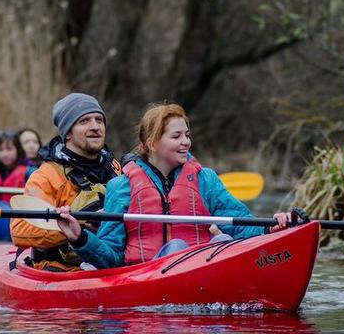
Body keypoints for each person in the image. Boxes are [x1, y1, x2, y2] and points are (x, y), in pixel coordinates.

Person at [55, 103, 307, 269]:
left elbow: (243, 226)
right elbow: (110, 257)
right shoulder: (121, 187)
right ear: (152, 144)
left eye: (187, 135)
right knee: (177, 248)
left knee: (225, 239)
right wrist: (80, 237)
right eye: (176, 136)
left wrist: (275, 227)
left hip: (200, 271)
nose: (186, 142)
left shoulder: (204, 179)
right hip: (144, 278)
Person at [11, 93, 121, 271]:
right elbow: (20, 230)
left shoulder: (116, 168)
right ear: (68, 132)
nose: (95, 127)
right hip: (64, 270)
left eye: (99, 120)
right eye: (84, 121)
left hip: (113, 263)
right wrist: (78, 224)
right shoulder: (46, 176)